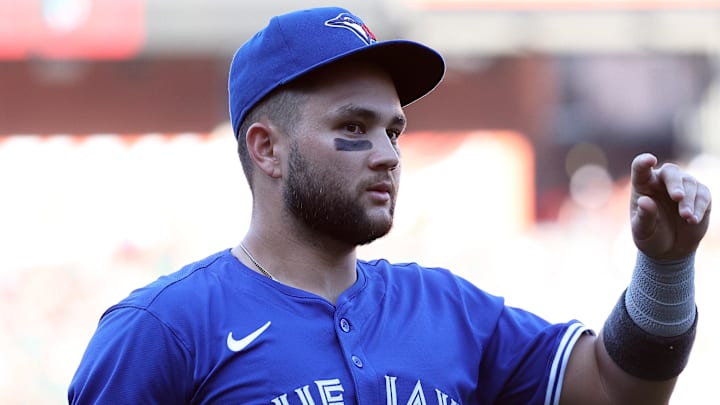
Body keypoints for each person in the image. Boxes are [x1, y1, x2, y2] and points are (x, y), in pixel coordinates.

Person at [68, 6, 712, 405]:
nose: (386, 154)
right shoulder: (163, 329)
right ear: (267, 149)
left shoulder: (449, 309)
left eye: (393, 131)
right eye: (353, 127)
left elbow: (616, 389)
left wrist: (666, 266)